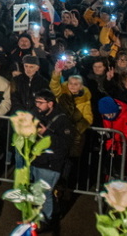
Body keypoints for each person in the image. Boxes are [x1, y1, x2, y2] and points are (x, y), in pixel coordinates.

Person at [31, 89, 72, 231]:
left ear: (50, 104)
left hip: (51, 163)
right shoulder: (37, 114)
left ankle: (46, 220)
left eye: (40, 102)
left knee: (45, 193)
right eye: (36, 102)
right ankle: (47, 214)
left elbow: (65, 143)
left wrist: (47, 133)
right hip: (38, 160)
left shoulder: (62, 120)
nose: (37, 105)